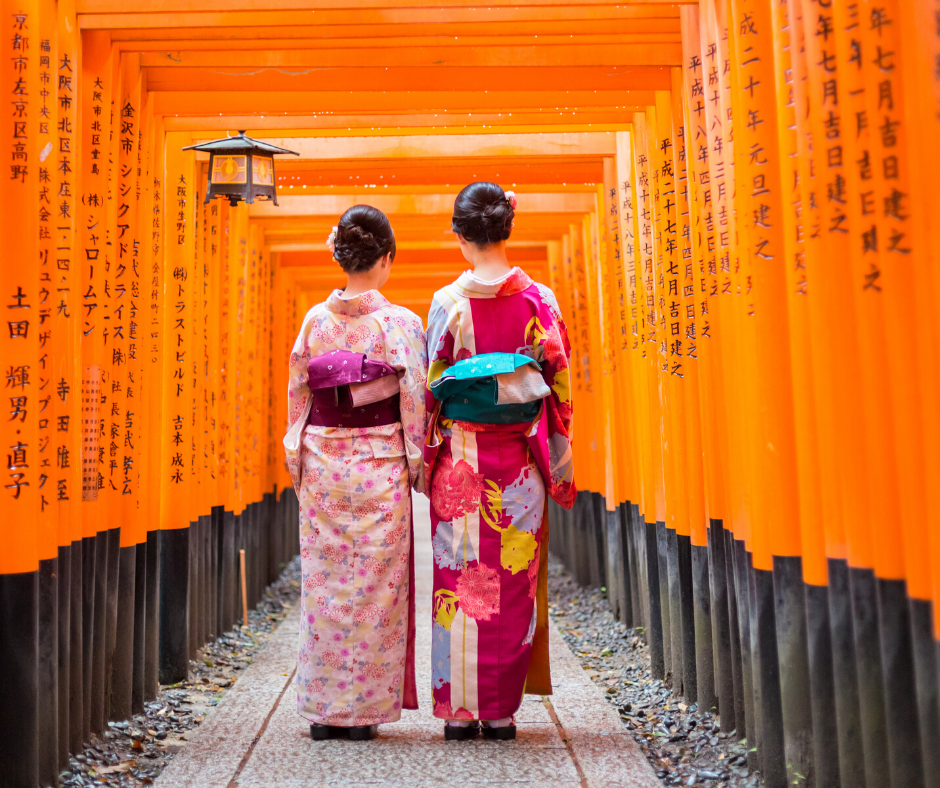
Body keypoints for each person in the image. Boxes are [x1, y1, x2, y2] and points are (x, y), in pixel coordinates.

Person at [425, 182, 575, 741]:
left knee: (458, 577)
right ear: (507, 228)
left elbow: (430, 386)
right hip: (518, 467)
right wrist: (555, 455)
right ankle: (501, 712)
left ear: (461, 236)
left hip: (462, 461)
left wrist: (426, 453)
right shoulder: (541, 300)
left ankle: (459, 712)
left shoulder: (448, 304)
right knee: (512, 580)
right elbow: (556, 391)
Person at [283, 205, 428, 741]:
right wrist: (418, 463)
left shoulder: (315, 322)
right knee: (374, 586)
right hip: (378, 463)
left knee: (323, 584)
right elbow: (414, 401)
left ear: (341, 256)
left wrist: (297, 458)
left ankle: (325, 711)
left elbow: (298, 397)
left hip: (323, 462)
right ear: (386, 259)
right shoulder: (401, 324)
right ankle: (362, 712)